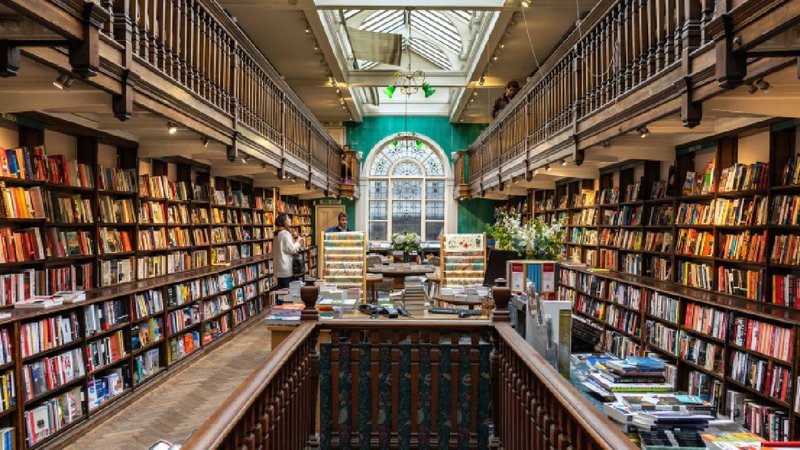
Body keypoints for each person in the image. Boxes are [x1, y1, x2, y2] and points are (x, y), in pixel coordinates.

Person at [273, 213, 300, 289]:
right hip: (286, 269)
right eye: (288, 218)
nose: (290, 220)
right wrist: (298, 242)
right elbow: (292, 250)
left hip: (279, 269)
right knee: (288, 294)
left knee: (281, 292)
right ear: (284, 222)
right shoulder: (285, 234)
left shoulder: (277, 234)